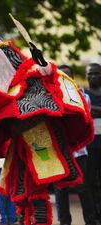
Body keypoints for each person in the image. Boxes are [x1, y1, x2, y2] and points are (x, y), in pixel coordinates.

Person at [0, 13, 93, 225]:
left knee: (37, 192)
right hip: (19, 143)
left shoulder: (32, 72)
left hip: (41, 135)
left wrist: (42, 64)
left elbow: (50, 74)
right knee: (22, 190)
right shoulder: (0, 92)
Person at [53, 64, 97, 225]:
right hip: (58, 151)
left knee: (83, 189)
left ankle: (90, 221)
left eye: (67, 75)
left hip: (78, 151)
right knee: (60, 189)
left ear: (71, 77)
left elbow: (82, 118)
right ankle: (64, 221)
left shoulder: (82, 96)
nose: (64, 77)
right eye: (61, 75)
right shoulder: (52, 95)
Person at [84, 63, 101, 222]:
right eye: (90, 74)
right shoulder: (83, 93)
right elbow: (84, 110)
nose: (93, 76)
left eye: (96, 73)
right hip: (89, 145)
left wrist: (93, 110)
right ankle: (93, 216)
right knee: (89, 182)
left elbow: (90, 110)